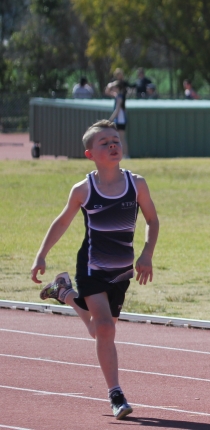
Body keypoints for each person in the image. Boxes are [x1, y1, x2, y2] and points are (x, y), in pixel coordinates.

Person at [30, 119, 160, 420]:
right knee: (105, 328)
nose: (113, 145)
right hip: (91, 266)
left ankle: (64, 293)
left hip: (121, 271)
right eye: (105, 142)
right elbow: (62, 222)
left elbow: (152, 220)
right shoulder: (83, 189)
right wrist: (41, 255)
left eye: (116, 140)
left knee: (100, 330)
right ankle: (116, 394)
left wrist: (147, 253)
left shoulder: (136, 184)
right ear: (90, 154)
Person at [107, 84, 129, 158]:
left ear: (118, 88)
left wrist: (111, 119)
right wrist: (110, 84)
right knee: (119, 138)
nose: (113, 88)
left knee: (121, 138)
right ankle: (122, 155)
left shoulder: (120, 97)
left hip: (121, 120)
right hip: (118, 120)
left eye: (115, 87)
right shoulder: (117, 95)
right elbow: (107, 92)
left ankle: (126, 155)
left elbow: (117, 109)